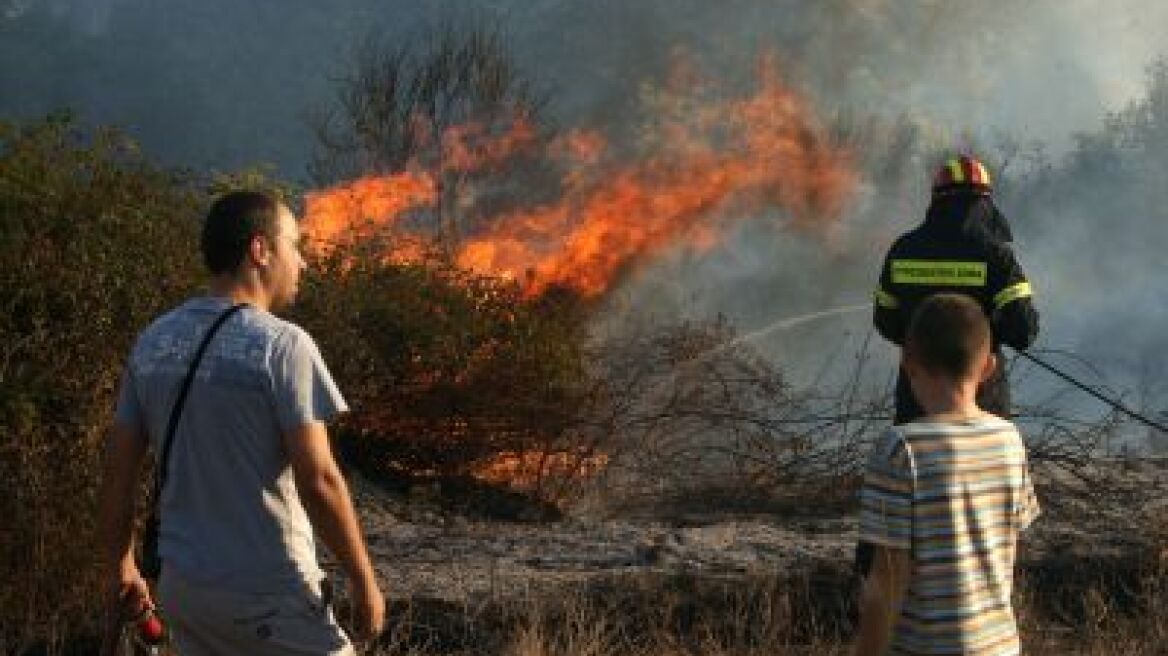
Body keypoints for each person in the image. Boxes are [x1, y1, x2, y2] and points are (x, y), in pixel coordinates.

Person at [98, 190, 385, 654]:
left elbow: (118, 471)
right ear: (260, 250)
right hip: (270, 594)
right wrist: (363, 579)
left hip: (185, 591)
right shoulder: (283, 346)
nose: (302, 263)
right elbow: (319, 479)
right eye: (295, 246)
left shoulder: (153, 341)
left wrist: (121, 567)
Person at [851, 294, 1040, 656]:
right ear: (989, 368)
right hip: (999, 646)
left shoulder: (901, 448)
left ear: (908, 363)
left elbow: (888, 580)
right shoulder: (1008, 439)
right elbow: (1008, 544)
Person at [872, 155, 1039, 424]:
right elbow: (1023, 331)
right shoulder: (996, 256)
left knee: (916, 451)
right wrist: (982, 336)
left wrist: (924, 341)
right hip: (981, 397)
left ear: (936, 200)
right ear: (985, 203)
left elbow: (885, 322)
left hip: (918, 396)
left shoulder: (904, 249)